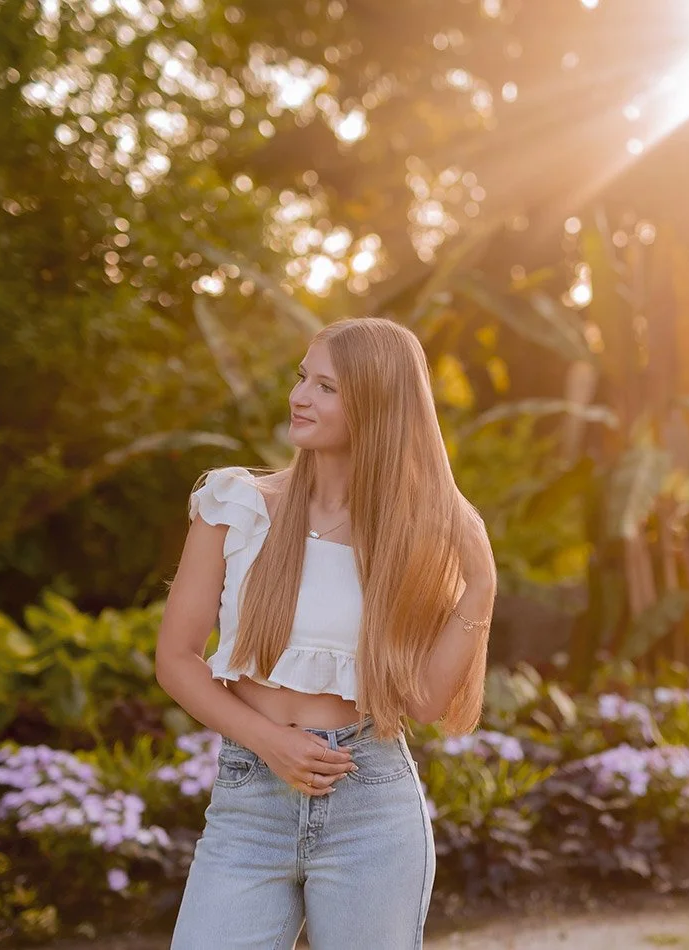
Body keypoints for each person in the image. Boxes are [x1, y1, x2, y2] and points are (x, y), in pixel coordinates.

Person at [155, 316, 497, 949]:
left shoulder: (410, 537)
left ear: (376, 405)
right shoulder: (237, 505)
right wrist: (268, 741)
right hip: (250, 801)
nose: (300, 397)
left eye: (327, 386)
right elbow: (176, 659)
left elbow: (421, 701)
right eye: (301, 378)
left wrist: (480, 587)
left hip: (371, 802)